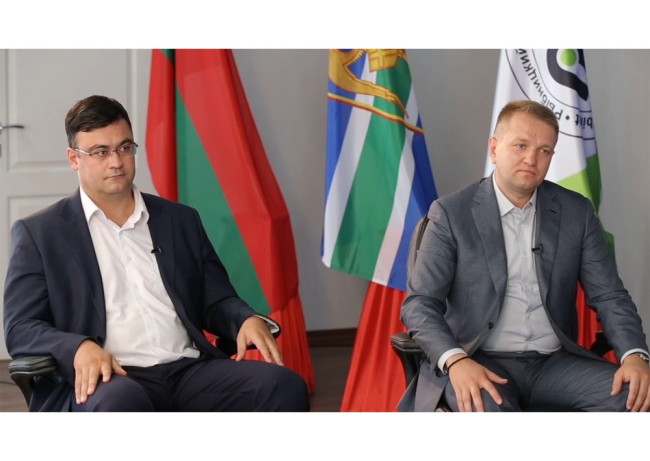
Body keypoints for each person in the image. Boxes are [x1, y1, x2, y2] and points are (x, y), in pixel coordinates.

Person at [3, 95, 309, 412]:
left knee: (283, 386)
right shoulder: (40, 233)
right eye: (100, 152)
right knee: (122, 402)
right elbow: (20, 327)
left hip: (188, 370)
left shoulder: (180, 220)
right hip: (111, 378)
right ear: (74, 158)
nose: (116, 162)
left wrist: (244, 319)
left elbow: (215, 299)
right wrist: (78, 347)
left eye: (124, 147)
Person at [399, 99, 650, 412]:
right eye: (521, 146)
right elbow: (419, 304)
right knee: (488, 411)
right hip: (477, 359)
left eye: (544, 151)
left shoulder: (576, 212)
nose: (531, 159)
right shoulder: (451, 213)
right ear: (494, 149)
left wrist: (635, 355)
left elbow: (610, 295)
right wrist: (456, 361)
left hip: (555, 363)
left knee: (636, 398)